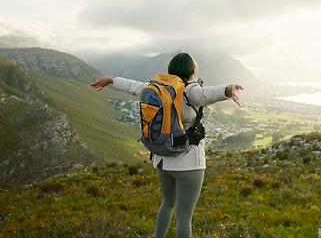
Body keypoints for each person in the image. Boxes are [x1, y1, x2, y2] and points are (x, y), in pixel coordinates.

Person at [89, 52, 243, 238]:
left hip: (162, 159)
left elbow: (134, 86)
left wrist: (112, 80)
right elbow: (206, 94)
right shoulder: (190, 91)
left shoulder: (159, 88)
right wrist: (228, 89)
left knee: (167, 204)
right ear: (193, 72)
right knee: (184, 216)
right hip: (188, 163)